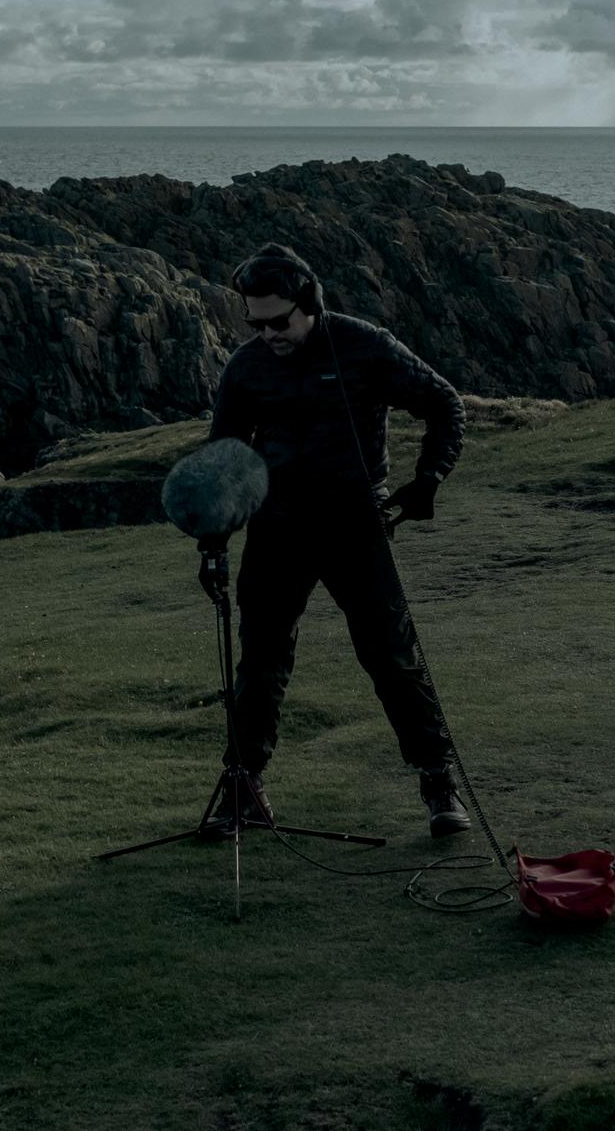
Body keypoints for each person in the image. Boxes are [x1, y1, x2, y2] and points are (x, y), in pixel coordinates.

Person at [202, 243, 472, 838]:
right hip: (276, 527)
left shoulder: (363, 344)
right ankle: (243, 789)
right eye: (256, 322)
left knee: (391, 655)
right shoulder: (246, 367)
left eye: (280, 320)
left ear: (310, 303)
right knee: (261, 661)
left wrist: (427, 480)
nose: (268, 332)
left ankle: (438, 784)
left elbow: (444, 404)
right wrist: (212, 544)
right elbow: (223, 459)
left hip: (355, 523)